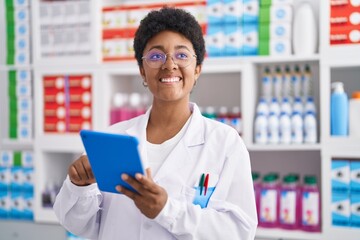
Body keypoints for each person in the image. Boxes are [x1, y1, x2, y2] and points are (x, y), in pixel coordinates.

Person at [53, 7, 257, 240]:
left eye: (181, 55)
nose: (169, 65)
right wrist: (80, 186)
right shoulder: (112, 139)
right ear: (142, 70)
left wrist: (166, 210)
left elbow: (239, 233)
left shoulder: (225, 144)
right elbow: (77, 225)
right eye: (156, 56)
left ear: (198, 68)